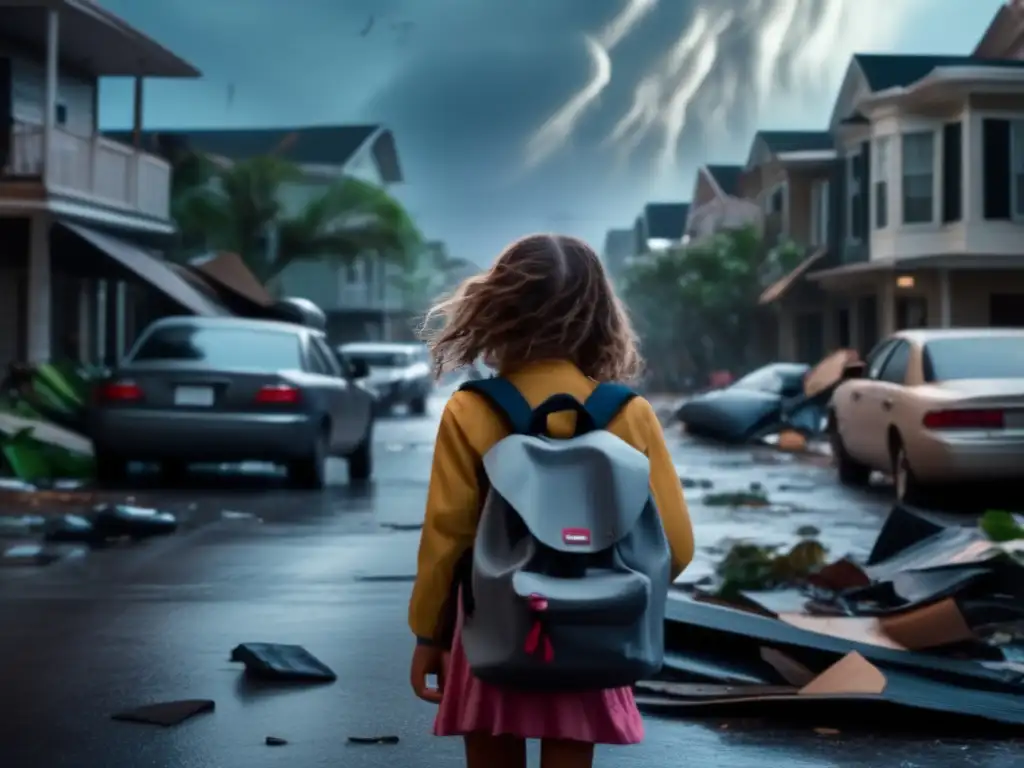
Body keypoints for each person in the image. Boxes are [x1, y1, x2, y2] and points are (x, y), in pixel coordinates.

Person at [408, 233, 695, 768]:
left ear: (499, 310)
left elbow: (447, 539)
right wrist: (607, 597)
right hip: (591, 634)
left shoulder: (471, 411)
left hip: (492, 630)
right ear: (599, 315)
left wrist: (430, 631)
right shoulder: (628, 414)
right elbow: (675, 547)